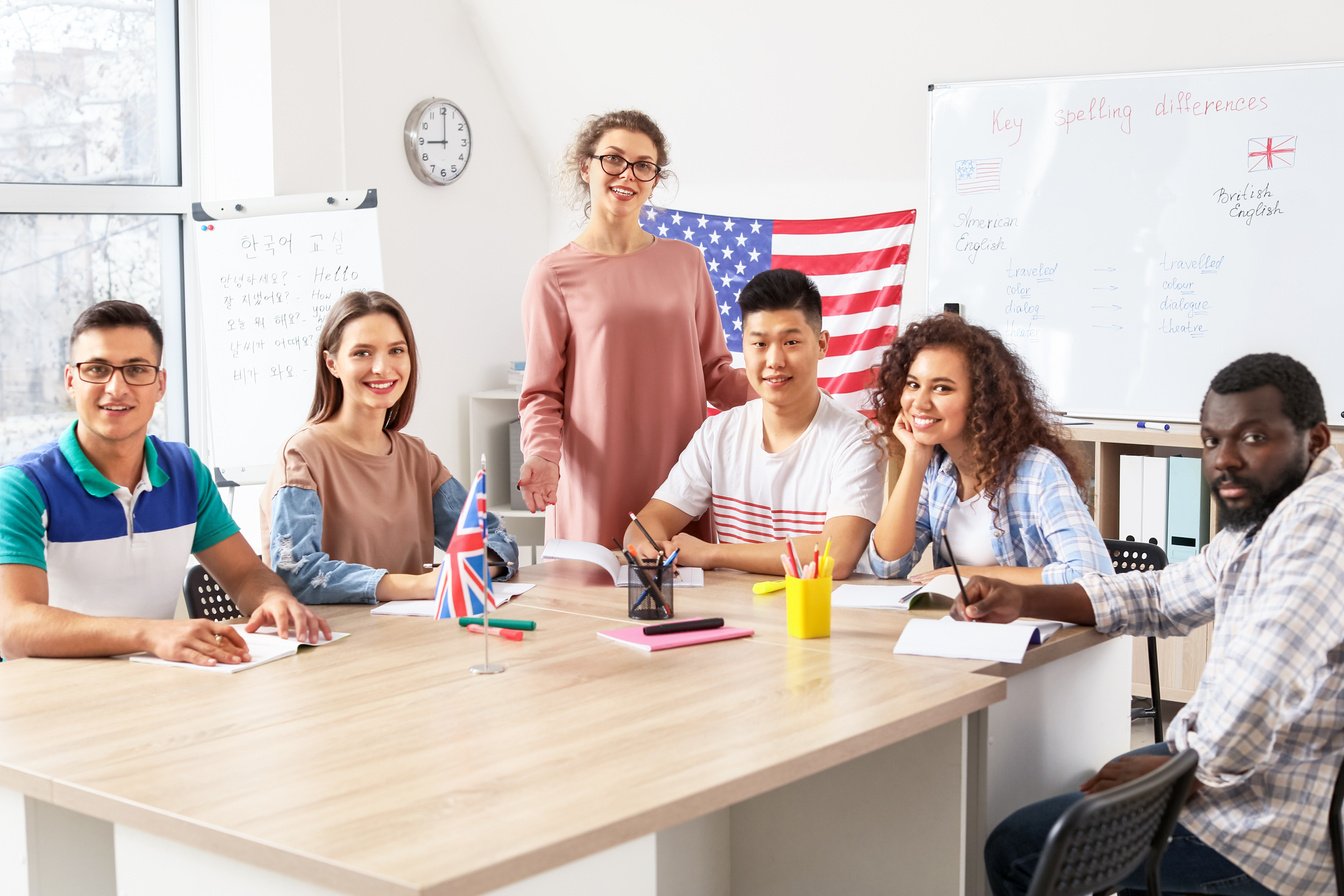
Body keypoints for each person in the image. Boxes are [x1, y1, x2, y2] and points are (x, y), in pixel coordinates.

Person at [961, 353, 1343, 896]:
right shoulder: (1273, 510)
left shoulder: (1322, 521)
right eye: (1213, 440)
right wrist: (1026, 597)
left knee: (1020, 848)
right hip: (1242, 773)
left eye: (1253, 438)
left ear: (1316, 439)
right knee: (1104, 777)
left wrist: (1179, 776)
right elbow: (1165, 594)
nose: (1225, 460)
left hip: (1263, 825)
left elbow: (1266, 678)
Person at [0, 300, 328, 665]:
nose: (116, 387)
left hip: (153, 688)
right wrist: (149, 632)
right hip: (48, 700)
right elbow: (13, 626)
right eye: (97, 369)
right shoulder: (21, 486)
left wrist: (273, 599)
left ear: (160, 384)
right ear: (71, 381)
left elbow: (244, 573)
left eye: (137, 370)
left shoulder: (185, 471)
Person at [518, 109, 752, 544]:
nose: (627, 174)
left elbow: (715, 375)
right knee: (595, 605)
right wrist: (542, 455)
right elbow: (541, 392)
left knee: (689, 604)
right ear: (586, 166)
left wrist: (798, 399)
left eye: (643, 165)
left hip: (682, 478)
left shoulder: (687, 262)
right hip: (595, 481)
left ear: (654, 180)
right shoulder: (552, 274)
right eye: (613, 159)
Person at [262, 291, 518, 604]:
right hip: (337, 643)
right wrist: (419, 586)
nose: (383, 367)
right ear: (332, 363)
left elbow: (495, 538)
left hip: (414, 637)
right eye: (362, 353)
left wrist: (473, 570)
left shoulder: (417, 458)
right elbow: (296, 572)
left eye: (396, 350)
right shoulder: (302, 455)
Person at [625, 269, 882, 578]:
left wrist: (712, 553)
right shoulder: (719, 433)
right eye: (759, 344)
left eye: (791, 342)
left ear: (822, 344)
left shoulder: (858, 439)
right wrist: (645, 546)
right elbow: (650, 522)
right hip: (732, 617)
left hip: (818, 618)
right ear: (743, 347)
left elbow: (836, 555)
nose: (774, 360)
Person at [864, 313, 1109, 583]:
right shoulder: (936, 469)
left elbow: (1091, 574)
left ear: (981, 399)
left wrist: (973, 575)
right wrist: (914, 460)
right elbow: (888, 566)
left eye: (942, 388)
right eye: (913, 384)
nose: (920, 402)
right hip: (964, 623)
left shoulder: (1038, 471)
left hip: (1032, 624)